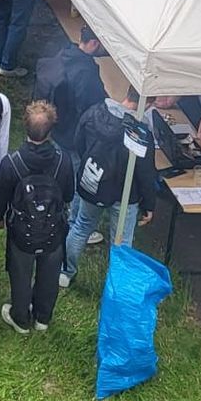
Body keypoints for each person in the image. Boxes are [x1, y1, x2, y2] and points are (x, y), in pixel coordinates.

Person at [0, 99, 76, 333]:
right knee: (49, 275)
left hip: (21, 232)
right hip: (53, 230)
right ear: (51, 129)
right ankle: (43, 318)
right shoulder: (63, 161)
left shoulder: (11, 163)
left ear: (24, 126)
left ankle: (20, 318)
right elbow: (68, 194)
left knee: (20, 274)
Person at [61, 86, 160, 288]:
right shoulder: (139, 133)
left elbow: (78, 141)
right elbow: (145, 172)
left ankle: (65, 272)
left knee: (80, 227)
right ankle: (116, 285)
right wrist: (149, 203)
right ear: (147, 104)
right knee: (122, 242)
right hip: (125, 194)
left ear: (128, 92)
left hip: (94, 181)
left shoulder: (96, 111)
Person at [41, 26, 108, 150]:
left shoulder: (66, 52)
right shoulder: (86, 73)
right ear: (94, 43)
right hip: (70, 134)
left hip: (55, 123)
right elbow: (91, 106)